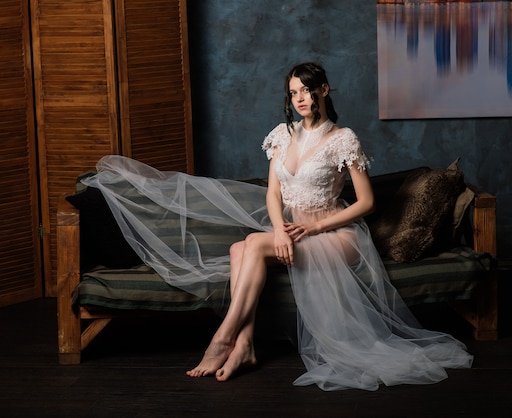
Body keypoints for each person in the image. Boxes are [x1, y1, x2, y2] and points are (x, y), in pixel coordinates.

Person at [85, 63, 472, 391]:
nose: (301, 99)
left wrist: (316, 229)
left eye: (307, 90)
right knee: (242, 248)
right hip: (292, 231)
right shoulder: (281, 135)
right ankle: (245, 345)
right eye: (293, 93)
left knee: (249, 246)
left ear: (324, 90)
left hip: (337, 236)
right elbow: (273, 194)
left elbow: (366, 203)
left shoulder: (343, 139)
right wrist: (281, 229)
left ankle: (227, 337)